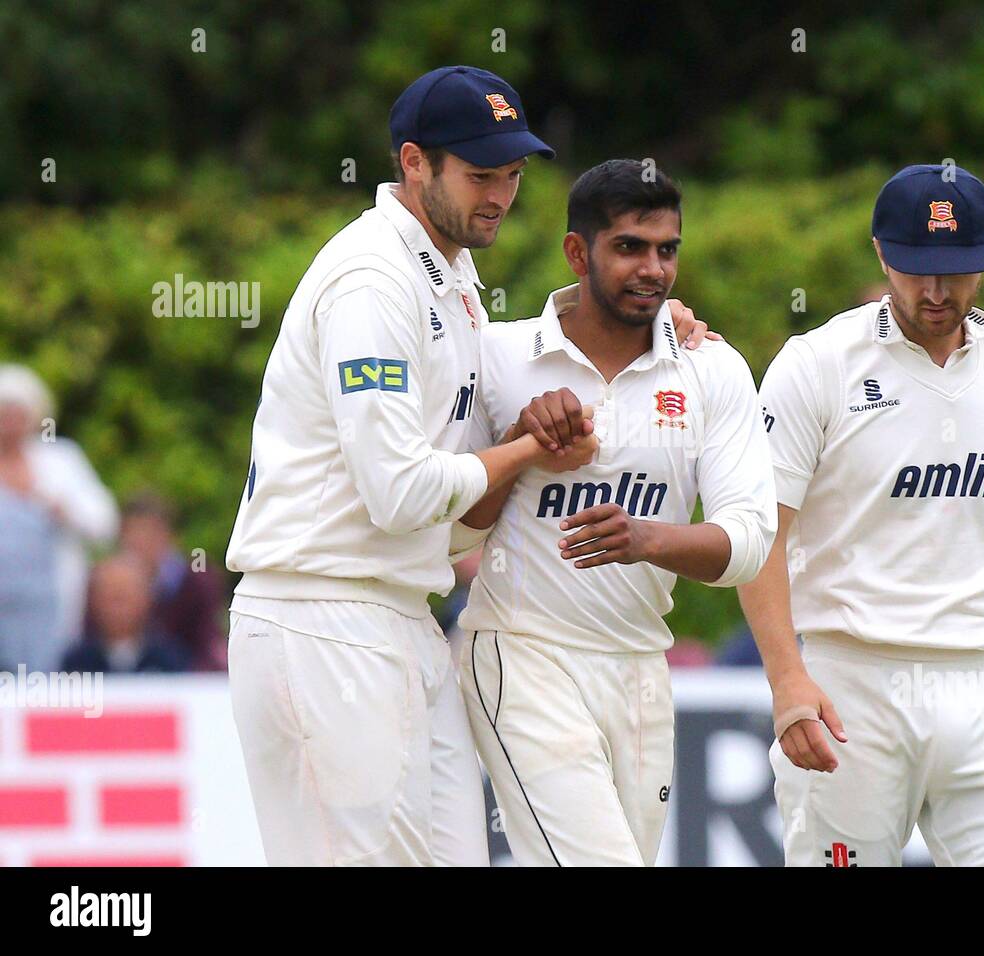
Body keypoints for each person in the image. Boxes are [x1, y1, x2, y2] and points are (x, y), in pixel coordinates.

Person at [224, 68, 713, 868]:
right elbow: (399, 493)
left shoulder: (452, 283)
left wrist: (656, 316)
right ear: (414, 163)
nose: (500, 194)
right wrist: (529, 447)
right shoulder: (372, 277)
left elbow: (450, 517)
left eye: (513, 175)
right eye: (480, 174)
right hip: (320, 617)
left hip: (402, 617)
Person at [739, 164, 984, 866]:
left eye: (958, 271)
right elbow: (761, 536)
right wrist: (788, 680)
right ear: (882, 252)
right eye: (918, 269)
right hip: (852, 684)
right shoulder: (817, 364)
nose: (937, 291)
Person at [453, 160, 776, 866]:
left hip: (639, 666)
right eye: (630, 247)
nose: (653, 270)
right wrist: (518, 448)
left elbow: (748, 543)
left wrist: (649, 538)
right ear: (579, 252)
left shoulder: (711, 368)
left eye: (667, 250)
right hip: (520, 650)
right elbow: (447, 534)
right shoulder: (499, 356)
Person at [0, 364, 117, 672]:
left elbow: (104, 524)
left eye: (16, 412)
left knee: (43, 678)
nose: (9, 422)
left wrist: (63, 510)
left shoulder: (60, 459)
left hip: (46, 605)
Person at [119, 492, 228, 671]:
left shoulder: (197, 578)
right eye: (133, 535)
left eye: (148, 534)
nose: (139, 544)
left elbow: (208, 642)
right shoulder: (110, 585)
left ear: (167, 535)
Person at [62, 555, 189, 674]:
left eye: (123, 597)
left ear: (146, 600)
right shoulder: (77, 664)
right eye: (108, 597)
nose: (116, 609)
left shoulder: (171, 660)